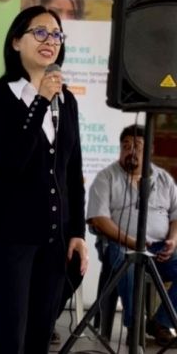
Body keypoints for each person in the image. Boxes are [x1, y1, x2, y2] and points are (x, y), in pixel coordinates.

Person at [0, 5, 88, 354]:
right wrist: (39, 100)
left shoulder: (66, 100)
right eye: (39, 32)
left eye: (56, 34)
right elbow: (10, 162)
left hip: (53, 240)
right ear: (15, 42)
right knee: (10, 339)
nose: (49, 40)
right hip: (9, 239)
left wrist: (77, 233)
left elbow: (72, 170)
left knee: (40, 337)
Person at [87, 124, 177, 346]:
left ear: (150, 149)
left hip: (159, 250)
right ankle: (134, 326)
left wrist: (173, 240)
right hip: (120, 245)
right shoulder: (106, 177)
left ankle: (160, 323)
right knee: (124, 259)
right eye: (126, 146)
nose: (131, 151)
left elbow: (176, 215)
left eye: (137, 146)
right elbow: (99, 219)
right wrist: (133, 242)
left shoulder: (164, 179)